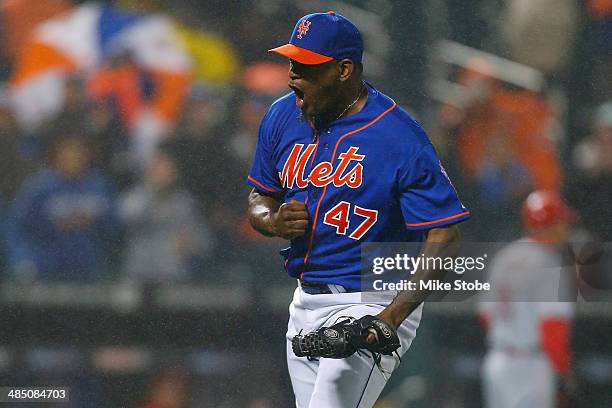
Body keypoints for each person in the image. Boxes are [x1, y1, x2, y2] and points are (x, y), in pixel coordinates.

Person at [246, 12, 470, 407]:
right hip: (305, 300)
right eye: (292, 62)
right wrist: (272, 219)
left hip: (371, 298)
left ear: (344, 69)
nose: (293, 75)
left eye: (307, 66)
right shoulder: (282, 115)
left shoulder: (398, 135)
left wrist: (392, 317)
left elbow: (445, 234)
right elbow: (259, 197)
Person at [478, 190, 576, 408]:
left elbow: (485, 315)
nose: (566, 229)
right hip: (531, 366)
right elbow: (553, 326)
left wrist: (509, 333)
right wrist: (562, 372)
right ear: (552, 224)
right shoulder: (549, 262)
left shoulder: (506, 256)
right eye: (562, 222)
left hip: (497, 361)